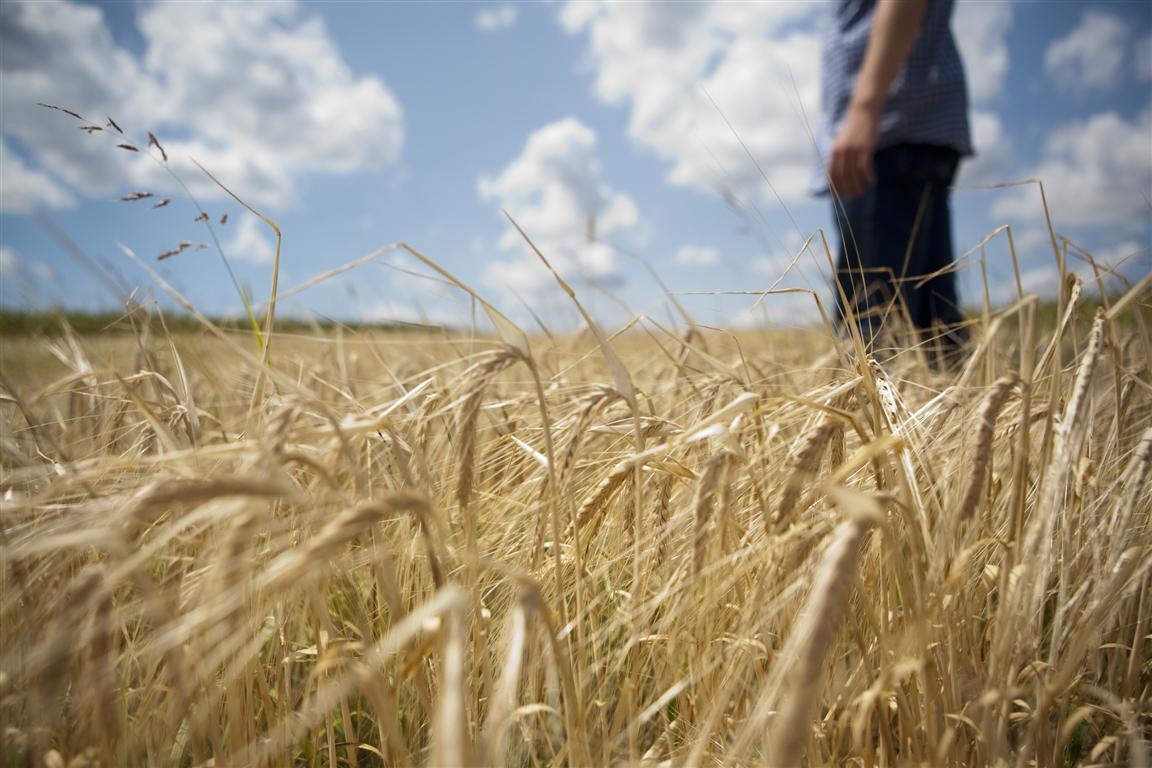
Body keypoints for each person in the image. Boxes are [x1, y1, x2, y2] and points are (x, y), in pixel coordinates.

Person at [817, 0, 972, 370]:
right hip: (910, 130)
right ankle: (960, 423)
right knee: (935, 318)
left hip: (889, 132)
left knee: (869, 325)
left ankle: (870, 429)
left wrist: (865, 110)